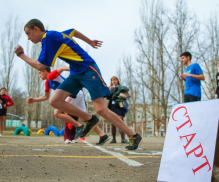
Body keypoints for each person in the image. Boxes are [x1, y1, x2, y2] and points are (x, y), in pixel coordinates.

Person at [14, 19, 141, 150]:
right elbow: (72, 32)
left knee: (101, 110)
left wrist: (21, 55)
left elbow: (41, 65)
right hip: (75, 73)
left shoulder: (49, 37)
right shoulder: (55, 35)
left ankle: (133, 135)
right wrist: (90, 41)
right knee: (55, 101)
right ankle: (89, 119)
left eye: (28, 34)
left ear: (36, 29)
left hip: (88, 69)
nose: (28, 38)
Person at [27, 66, 109, 145]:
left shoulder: (51, 75)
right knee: (85, 118)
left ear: (45, 72)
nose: (39, 75)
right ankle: (102, 135)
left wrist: (78, 71)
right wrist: (34, 100)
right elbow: (46, 96)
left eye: (39, 73)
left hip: (72, 94)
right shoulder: (47, 83)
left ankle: (79, 126)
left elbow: (62, 67)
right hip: (78, 93)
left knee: (57, 113)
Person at [108, 76, 129, 144]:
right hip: (112, 107)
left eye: (115, 80)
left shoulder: (121, 87)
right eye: (112, 80)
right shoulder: (109, 88)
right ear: (111, 82)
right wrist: (109, 91)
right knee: (113, 123)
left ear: (117, 81)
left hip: (120, 106)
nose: (114, 81)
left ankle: (123, 139)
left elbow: (126, 93)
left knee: (120, 121)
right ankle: (113, 139)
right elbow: (107, 97)